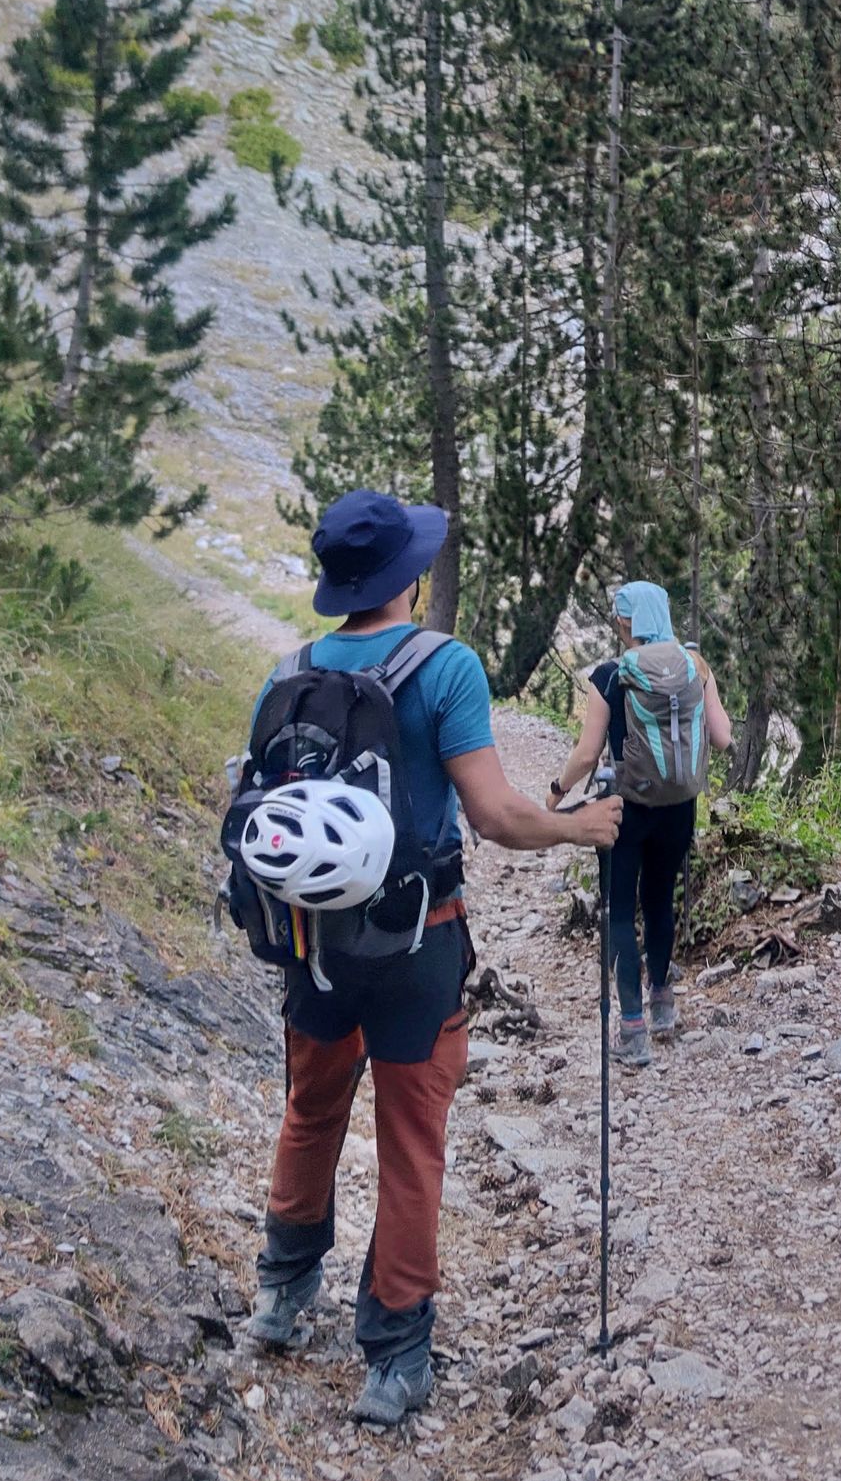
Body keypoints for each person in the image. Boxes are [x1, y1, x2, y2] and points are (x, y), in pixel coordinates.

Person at [244, 490, 622, 1428]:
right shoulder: (444, 667)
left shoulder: (288, 673)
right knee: (412, 1143)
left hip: (313, 946)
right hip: (418, 939)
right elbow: (494, 816)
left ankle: (281, 1296)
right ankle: (396, 1355)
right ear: (406, 578)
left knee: (310, 1111)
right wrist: (583, 829)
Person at [551, 580, 732, 1070]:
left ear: (625, 622)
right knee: (658, 900)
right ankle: (663, 1006)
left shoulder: (610, 675)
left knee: (618, 913)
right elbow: (721, 737)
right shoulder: (696, 667)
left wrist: (555, 792)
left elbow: (587, 753)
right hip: (678, 806)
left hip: (623, 809)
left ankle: (631, 1029)